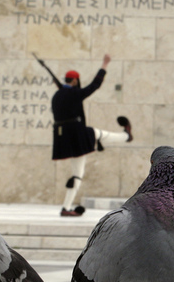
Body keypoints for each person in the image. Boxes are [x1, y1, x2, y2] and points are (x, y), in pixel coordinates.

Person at [46, 54, 133, 217]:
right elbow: (95, 85)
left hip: (63, 138)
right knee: (98, 134)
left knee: (77, 173)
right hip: (77, 135)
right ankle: (126, 136)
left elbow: (63, 108)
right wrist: (104, 65)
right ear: (74, 81)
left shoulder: (56, 96)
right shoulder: (74, 94)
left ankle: (66, 207)